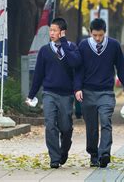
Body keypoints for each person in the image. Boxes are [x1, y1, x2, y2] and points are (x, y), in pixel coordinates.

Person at [74, 18, 124, 168]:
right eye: (95, 35)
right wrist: (77, 88)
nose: (98, 38)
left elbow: (121, 68)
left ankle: (105, 153)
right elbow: (78, 69)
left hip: (106, 92)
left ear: (105, 32)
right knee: (92, 127)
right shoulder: (83, 46)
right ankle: (94, 154)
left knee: (106, 121)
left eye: (100, 35)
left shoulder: (113, 45)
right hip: (88, 92)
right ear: (90, 33)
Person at [26, 18, 81, 169]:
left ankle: (64, 150)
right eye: (51, 30)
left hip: (66, 95)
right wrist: (31, 95)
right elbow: (38, 75)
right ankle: (54, 158)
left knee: (65, 127)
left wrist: (63, 43)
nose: (51, 33)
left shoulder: (71, 48)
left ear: (62, 32)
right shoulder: (45, 50)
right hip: (49, 92)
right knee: (50, 124)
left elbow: (75, 64)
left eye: (55, 30)